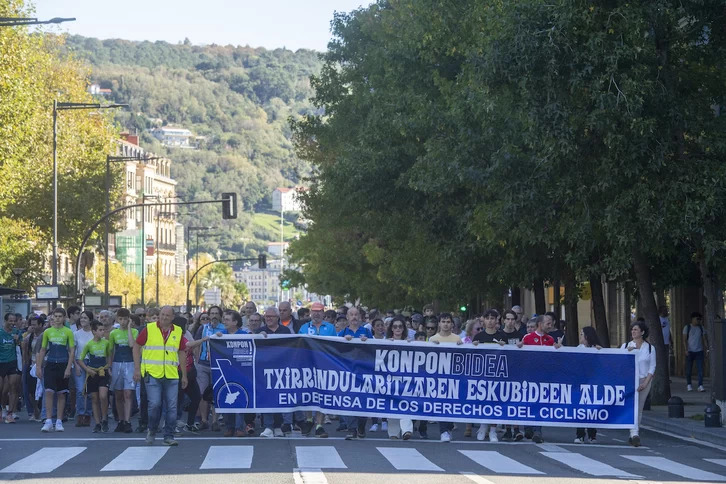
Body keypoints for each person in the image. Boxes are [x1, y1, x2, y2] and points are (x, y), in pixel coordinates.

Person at [133, 306, 188, 446]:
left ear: (172, 317)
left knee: (172, 407)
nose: (164, 318)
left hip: (171, 374)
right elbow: (136, 346)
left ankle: (168, 436)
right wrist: (137, 369)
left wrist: (184, 375)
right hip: (152, 373)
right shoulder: (149, 328)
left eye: (167, 315)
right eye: (162, 315)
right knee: (155, 405)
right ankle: (151, 429)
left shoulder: (178, 331)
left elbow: (182, 352)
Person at [518, 315, 562, 443]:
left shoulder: (550, 339)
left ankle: (537, 430)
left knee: (540, 402)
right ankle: (528, 427)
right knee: (528, 401)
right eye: (548, 324)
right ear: (540, 324)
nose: (550, 326)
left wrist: (558, 348)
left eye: (551, 324)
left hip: (543, 377)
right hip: (529, 376)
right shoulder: (528, 338)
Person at [297, 301, 333, 437]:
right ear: (311, 313)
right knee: (308, 393)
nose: (317, 313)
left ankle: (319, 425)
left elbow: (334, 345)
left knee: (322, 395)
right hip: (307, 365)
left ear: (323, 313)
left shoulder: (330, 328)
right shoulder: (304, 327)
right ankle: (309, 419)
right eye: (314, 311)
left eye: (319, 311)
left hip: (324, 366)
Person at [37, 307, 75, 432]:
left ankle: (59, 421)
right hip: (51, 364)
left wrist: (69, 367)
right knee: (48, 391)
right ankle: (48, 420)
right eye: (55, 316)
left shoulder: (68, 332)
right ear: (52, 317)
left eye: (60, 316)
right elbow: (42, 350)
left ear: (64, 318)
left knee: (61, 393)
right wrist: (38, 366)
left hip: (63, 364)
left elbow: (71, 351)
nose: (57, 318)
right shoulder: (48, 332)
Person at [257, 306, 293, 438]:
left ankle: (278, 425)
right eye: (266, 317)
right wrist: (257, 337)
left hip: (281, 369)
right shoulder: (260, 330)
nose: (268, 319)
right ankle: (268, 426)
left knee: (279, 398)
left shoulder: (285, 331)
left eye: (271, 316)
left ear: (277, 318)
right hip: (264, 370)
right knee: (267, 398)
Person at [472, 309, 506, 442]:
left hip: (497, 375)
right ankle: (483, 426)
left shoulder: (502, 336)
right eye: (488, 318)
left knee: (495, 402)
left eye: (493, 318)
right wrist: (474, 346)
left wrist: (505, 346)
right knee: (483, 401)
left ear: (497, 320)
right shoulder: (479, 337)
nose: (490, 321)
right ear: (484, 320)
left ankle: (493, 430)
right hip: (483, 375)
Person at [428, 313, 462, 442]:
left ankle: (448, 427)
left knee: (451, 404)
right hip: (438, 377)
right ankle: (444, 431)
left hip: (453, 377)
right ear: (439, 324)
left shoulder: (457, 338)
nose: (446, 324)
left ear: (452, 324)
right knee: (442, 403)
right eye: (443, 321)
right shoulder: (432, 339)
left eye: (448, 321)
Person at [339, 306, 371, 440]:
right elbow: (335, 349)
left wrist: (368, 342)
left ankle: (361, 425)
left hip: (363, 371)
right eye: (351, 315)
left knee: (362, 399)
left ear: (360, 317)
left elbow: (375, 349)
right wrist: (342, 341)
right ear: (347, 317)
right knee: (348, 399)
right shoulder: (342, 333)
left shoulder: (366, 332)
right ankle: (352, 428)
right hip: (347, 370)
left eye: (356, 314)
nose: (354, 317)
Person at [621, 321, 655, 447]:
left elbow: (652, 367)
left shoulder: (650, 348)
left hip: (643, 381)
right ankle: (633, 433)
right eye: (632, 330)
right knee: (631, 407)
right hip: (630, 381)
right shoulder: (626, 346)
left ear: (642, 332)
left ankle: (635, 433)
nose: (633, 332)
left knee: (639, 408)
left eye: (636, 330)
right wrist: (627, 353)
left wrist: (645, 383)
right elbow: (619, 363)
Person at [76, 320, 112, 433]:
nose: (102, 332)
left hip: (103, 372)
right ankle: (97, 422)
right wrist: (87, 369)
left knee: (103, 395)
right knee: (94, 398)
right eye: (100, 330)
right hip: (92, 373)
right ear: (94, 331)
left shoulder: (106, 343)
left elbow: (109, 355)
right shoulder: (89, 344)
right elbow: (80, 359)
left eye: (103, 330)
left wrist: (108, 367)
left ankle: (105, 418)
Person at [194, 305, 224, 431]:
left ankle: (215, 420)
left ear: (220, 316)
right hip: (203, 363)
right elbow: (196, 343)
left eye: (217, 313)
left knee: (216, 393)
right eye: (212, 313)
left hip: (217, 365)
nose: (214, 316)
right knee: (202, 392)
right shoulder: (203, 327)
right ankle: (204, 420)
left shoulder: (224, 328)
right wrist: (197, 359)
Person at [109, 308, 137, 433]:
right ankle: (120, 420)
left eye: (125, 319)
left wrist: (130, 328)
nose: (123, 322)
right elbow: (110, 351)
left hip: (130, 364)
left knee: (128, 393)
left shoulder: (135, 331)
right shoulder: (113, 333)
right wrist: (109, 366)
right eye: (120, 319)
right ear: (117, 320)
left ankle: (127, 420)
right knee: (118, 393)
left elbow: (132, 345)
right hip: (117, 364)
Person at [575, 327, 602, 444]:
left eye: (582, 334)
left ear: (587, 336)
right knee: (580, 410)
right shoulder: (578, 349)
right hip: (581, 383)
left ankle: (592, 434)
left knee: (592, 409)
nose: (580, 336)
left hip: (593, 384)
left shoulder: (597, 349)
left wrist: (602, 352)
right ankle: (580, 434)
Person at [72, 311, 94, 427]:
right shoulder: (76, 334)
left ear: (90, 320)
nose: (83, 320)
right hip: (79, 362)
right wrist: (75, 366)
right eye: (81, 318)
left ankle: (88, 415)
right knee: (80, 390)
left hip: (92, 363)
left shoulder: (94, 333)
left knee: (90, 391)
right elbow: (73, 351)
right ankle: (80, 414)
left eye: (85, 318)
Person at [0, 313, 22, 423]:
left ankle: (10, 414)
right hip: (1, 362)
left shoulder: (17, 332)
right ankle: (2, 408)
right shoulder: (0, 332)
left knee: (13, 387)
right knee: (1, 389)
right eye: (10, 321)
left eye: (14, 321)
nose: (12, 323)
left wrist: (17, 340)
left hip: (12, 362)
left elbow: (20, 346)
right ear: (5, 321)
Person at [21, 315, 43, 421]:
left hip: (44, 365)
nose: (32, 326)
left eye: (35, 324)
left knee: (43, 390)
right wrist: (26, 365)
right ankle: (35, 409)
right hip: (32, 365)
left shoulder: (45, 336)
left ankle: (42, 410)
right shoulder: (28, 337)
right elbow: (25, 353)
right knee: (31, 390)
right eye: (31, 324)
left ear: (41, 325)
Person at [683, 312, 709, 392]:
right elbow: (684, 340)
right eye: (697, 319)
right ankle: (689, 384)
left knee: (700, 369)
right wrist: (686, 349)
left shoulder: (701, 328)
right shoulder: (687, 327)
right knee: (688, 370)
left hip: (699, 351)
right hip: (690, 351)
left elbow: (704, 339)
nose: (698, 321)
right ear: (693, 319)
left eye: (700, 319)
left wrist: (707, 349)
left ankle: (700, 385)